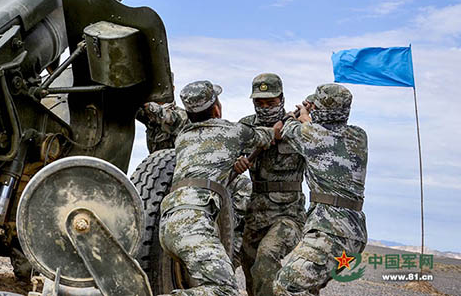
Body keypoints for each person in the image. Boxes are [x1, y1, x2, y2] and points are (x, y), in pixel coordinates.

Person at [155, 80, 280, 296]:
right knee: (224, 290)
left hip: (167, 225)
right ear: (216, 107)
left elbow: (208, 159)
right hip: (194, 224)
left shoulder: (183, 135)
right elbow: (267, 137)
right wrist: (280, 128)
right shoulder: (233, 132)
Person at [272, 84, 367, 295]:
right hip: (353, 232)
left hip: (330, 230)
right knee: (307, 287)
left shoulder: (311, 134)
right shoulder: (359, 136)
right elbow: (325, 135)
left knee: (286, 285)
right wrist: (310, 118)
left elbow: (284, 128)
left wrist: (296, 114)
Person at [234, 74, 306, 296]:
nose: (265, 107)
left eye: (271, 102)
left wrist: (307, 123)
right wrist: (236, 163)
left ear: (281, 99)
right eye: (259, 103)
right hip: (255, 213)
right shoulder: (245, 126)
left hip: (288, 214)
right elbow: (226, 160)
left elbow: (321, 151)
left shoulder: (296, 128)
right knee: (252, 270)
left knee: (267, 256)